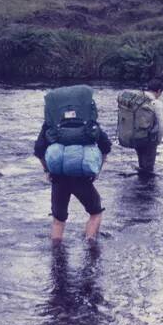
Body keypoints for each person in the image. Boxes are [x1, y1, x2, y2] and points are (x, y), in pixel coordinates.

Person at [34, 86, 113, 244]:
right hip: (82, 178)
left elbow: (38, 150)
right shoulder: (89, 124)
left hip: (58, 178)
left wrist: (47, 170)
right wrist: (98, 169)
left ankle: (56, 255)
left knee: (58, 220)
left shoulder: (51, 125)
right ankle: (91, 247)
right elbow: (106, 146)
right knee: (95, 213)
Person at [134, 79, 163, 176]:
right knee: (149, 168)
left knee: (142, 164)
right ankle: (147, 188)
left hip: (137, 136)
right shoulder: (156, 103)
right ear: (159, 91)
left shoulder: (138, 99)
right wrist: (159, 139)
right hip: (150, 139)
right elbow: (161, 125)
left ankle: (140, 185)